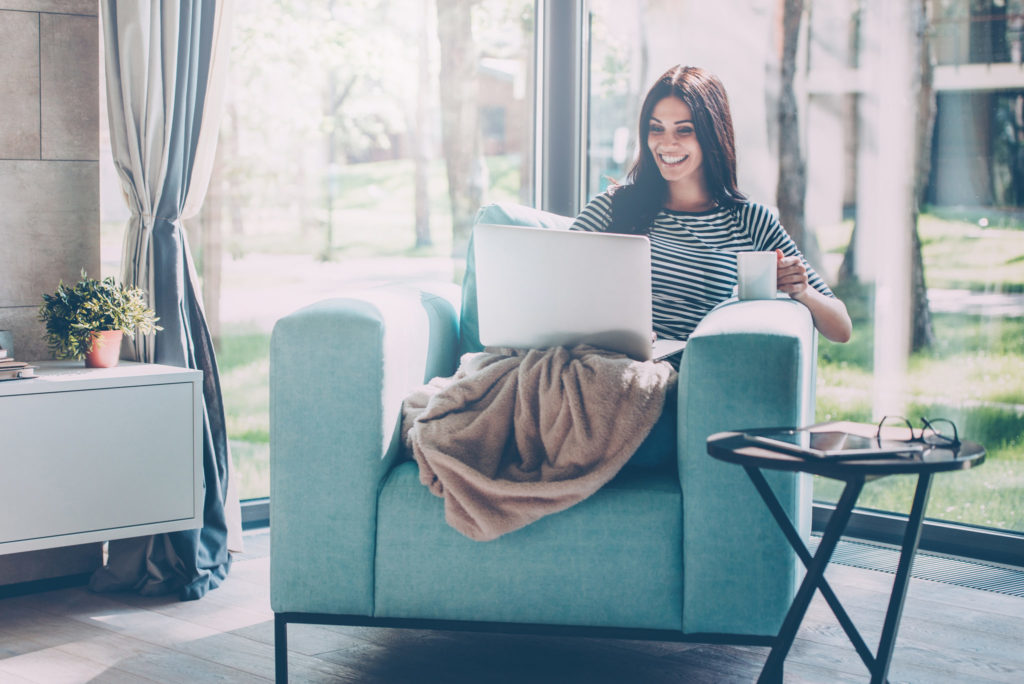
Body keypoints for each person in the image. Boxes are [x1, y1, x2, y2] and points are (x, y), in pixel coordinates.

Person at [572, 65, 852, 344]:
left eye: (684, 131)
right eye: (656, 128)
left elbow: (841, 328)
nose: (667, 143)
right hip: (606, 357)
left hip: (690, 374)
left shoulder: (751, 221)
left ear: (711, 136)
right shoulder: (611, 207)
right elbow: (551, 283)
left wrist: (801, 290)